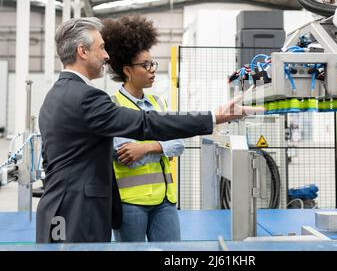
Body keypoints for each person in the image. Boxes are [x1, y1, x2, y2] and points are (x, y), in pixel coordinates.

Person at [36, 17, 259, 243]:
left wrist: (147, 148)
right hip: (78, 212)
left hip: (60, 207)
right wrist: (215, 117)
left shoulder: (53, 97)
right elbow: (146, 124)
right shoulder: (87, 98)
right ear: (82, 51)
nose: (106, 55)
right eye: (101, 47)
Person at [100, 15, 184, 242]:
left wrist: (147, 147)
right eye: (145, 65)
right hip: (130, 203)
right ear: (127, 70)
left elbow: (179, 144)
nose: (152, 70)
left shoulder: (159, 103)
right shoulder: (112, 106)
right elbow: (125, 154)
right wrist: (161, 146)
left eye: (152, 64)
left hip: (165, 200)